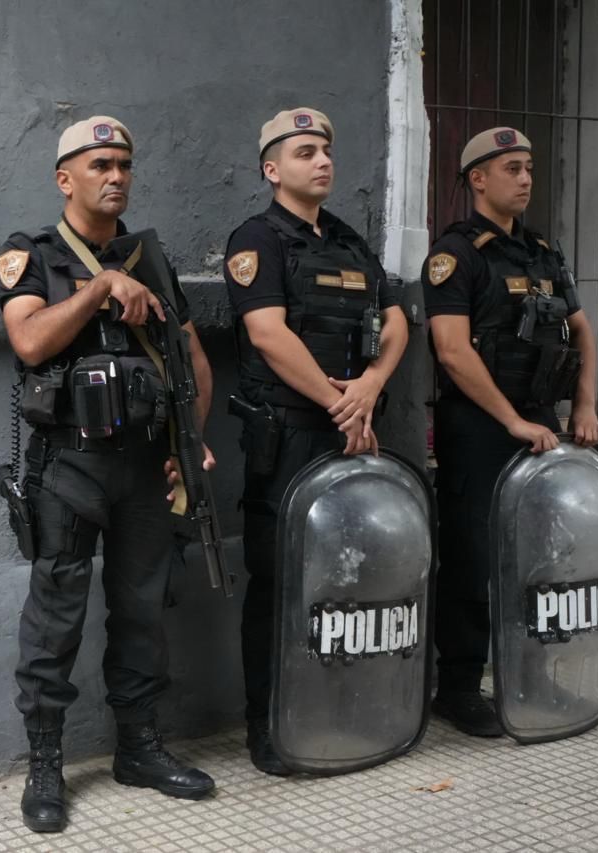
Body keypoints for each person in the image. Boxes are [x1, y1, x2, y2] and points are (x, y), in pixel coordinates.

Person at [0, 116, 217, 833]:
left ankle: (139, 748)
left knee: (143, 609)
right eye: (100, 165)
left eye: (124, 164)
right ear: (66, 179)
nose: (116, 176)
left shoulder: (151, 258)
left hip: (146, 466)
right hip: (70, 467)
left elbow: (193, 362)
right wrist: (98, 290)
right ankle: (45, 763)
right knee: (55, 616)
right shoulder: (31, 254)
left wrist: (188, 442)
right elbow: (29, 341)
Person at [222, 107, 409, 775]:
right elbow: (268, 334)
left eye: (326, 150)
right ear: (272, 170)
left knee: (347, 577)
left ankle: (336, 708)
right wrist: (341, 404)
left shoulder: (350, 241)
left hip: (350, 434)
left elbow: (396, 320)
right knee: (280, 582)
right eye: (305, 153)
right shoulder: (257, 239)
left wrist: (372, 384)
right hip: (291, 438)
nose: (323, 161)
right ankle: (269, 725)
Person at [422, 127, 598, 737]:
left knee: (538, 558)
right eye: (512, 169)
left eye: (528, 167)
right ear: (478, 179)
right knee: (472, 558)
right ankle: (459, 688)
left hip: (538, 423)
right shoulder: (456, 254)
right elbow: (451, 350)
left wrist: (584, 404)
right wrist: (510, 420)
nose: (525, 179)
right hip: (479, 427)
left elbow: (581, 328)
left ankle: (531, 673)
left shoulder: (542, 251)